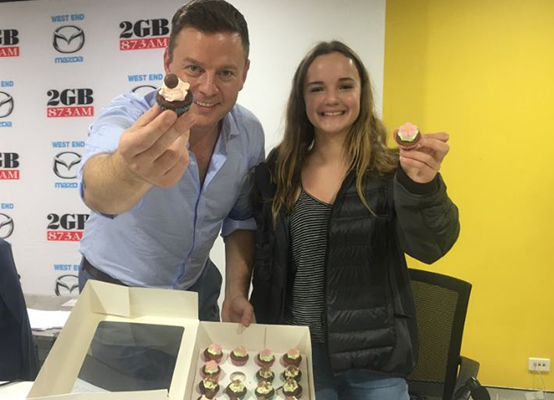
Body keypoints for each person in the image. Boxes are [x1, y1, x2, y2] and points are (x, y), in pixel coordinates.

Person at [245, 41, 460, 399]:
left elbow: (431, 246)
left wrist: (423, 189)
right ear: (302, 99)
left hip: (375, 361)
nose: (331, 98)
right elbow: (264, 259)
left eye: (345, 86)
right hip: (298, 355)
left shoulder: (391, 170)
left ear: (362, 93)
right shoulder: (278, 170)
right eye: (317, 89)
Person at [77, 0, 264, 323]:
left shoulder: (249, 133)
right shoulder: (129, 116)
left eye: (225, 73)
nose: (208, 88)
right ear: (168, 63)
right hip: (116, 295)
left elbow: (240, 220)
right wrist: (131, 172)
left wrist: (236, 292)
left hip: (197, 290)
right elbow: (97, 191)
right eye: (194, 69)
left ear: (244, 73)